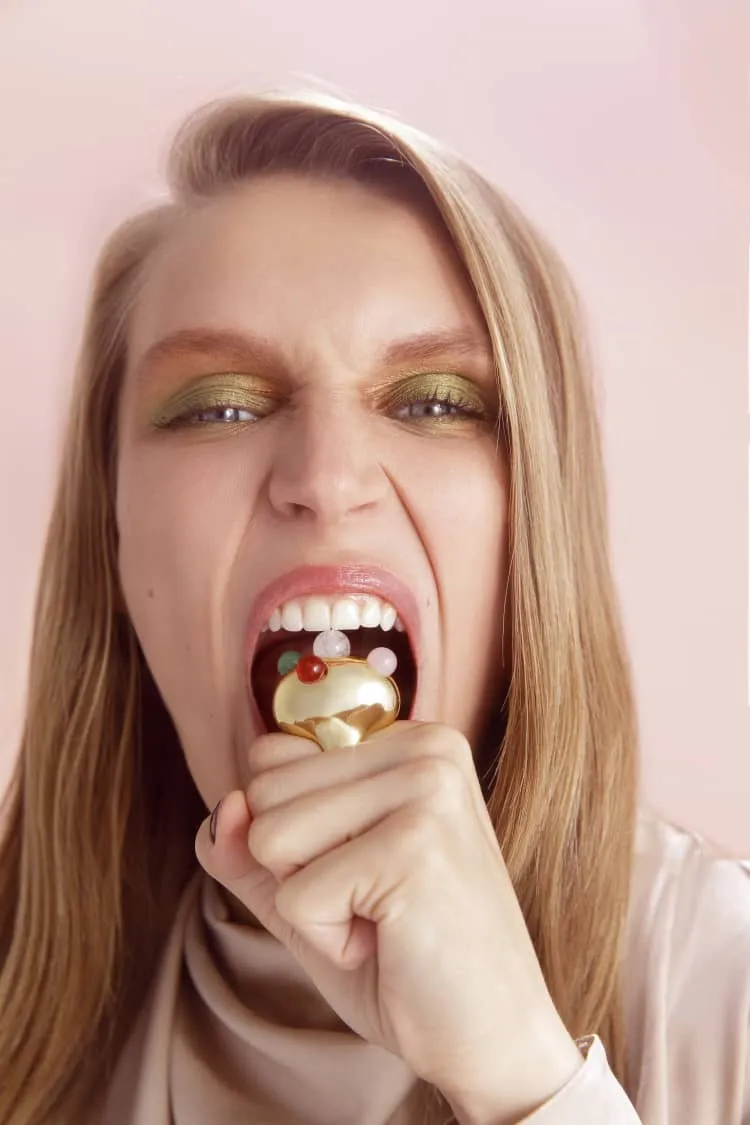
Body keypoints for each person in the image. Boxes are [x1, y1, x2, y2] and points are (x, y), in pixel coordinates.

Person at [0, 89, 747, 1125]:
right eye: (219, 404)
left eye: (434, 401)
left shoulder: (727, 991)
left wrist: (526, 1078)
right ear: (115, 533)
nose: (327, 475)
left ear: (536, 520)